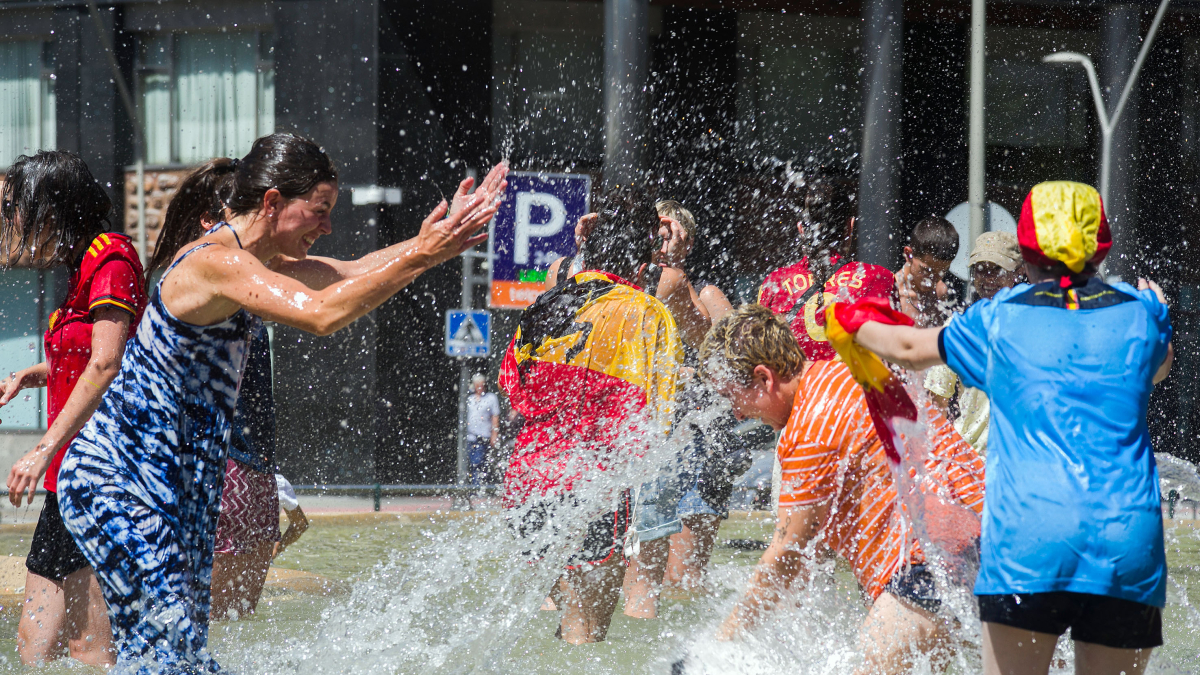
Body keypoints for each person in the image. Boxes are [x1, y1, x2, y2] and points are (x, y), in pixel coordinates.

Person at [55, 133, 506, 673]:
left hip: (179, 492)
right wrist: (425, 253)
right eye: (318, 211)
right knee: (169, 655)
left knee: (175, 653)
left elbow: (348, 272)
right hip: (121, 484)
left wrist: (433, 247)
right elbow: (321, 312)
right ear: (272, 202)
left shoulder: (249, 265)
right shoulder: (213, 262)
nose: (327, 226)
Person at [851, 181, 1173, 675]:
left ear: (1024, 247)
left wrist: (849, 319)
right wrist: (1160, 314)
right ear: (1100, 241)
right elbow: (1158, 366)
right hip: (1125, 539)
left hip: (1028, 540)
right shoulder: (1141, 314)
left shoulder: (999, 318)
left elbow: (908, 349)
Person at [694, 304, 985, 675]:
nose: (736, 413)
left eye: (733, 396)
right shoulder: (846, 371)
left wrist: (718, 649)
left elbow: (787, 554)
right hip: (987, 528)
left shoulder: (808, 426)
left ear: (764, 378)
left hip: (932, 556)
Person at [501, 184, 682, 644]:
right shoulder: (646, 311)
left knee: (557, 622)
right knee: (587, 640)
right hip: (591, 480)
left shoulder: (547, 304)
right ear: (645, 262)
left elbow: (513, 388)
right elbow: (655, 416)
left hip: (529, 475)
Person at [0, 151, 148, 668]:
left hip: (107, 477)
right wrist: (31, 374)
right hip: (70, 480)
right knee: (33, 645)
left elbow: (107, 364)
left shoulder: (111, 259)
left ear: (53, 206)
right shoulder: (78, 267)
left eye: (16, 208)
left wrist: (40, 449)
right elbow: (84, 358)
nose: (11, 222)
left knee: (91, 648)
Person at [757, 174, 895, 359]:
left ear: (801, 230)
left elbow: (758, 357)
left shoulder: (774, 284)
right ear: (850, 227)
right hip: (850, 386)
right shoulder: (878, 278)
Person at [923, 231, 1024, 453]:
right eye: (979, 270)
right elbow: (936, 404)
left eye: (996, 269)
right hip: (974, 461)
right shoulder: (958, 328)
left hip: (1020, 463)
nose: (987, 278)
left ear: (1019, 272)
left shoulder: (1035, 326)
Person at [895, 216, 960, 327]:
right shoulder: (891, 293)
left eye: (941, 271)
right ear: (908, 254)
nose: (932, 279)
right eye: (926, 270)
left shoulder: (941, 292)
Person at [466, 373, 500, 485]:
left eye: (482, 385)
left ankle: (477, 487)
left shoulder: (491, 398)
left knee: (478, 462)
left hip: (483, 435)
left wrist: (494, 434)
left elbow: (495, 416)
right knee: (472, 463)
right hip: (471, 436)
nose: (480, 387)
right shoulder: (470, 399)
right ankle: (475, 486)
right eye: (477, 385)